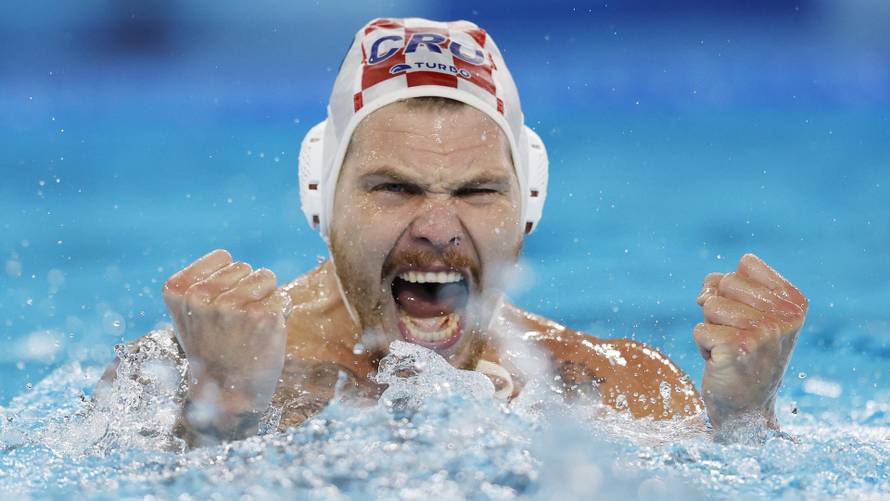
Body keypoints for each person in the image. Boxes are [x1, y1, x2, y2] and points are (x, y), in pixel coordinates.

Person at [99, 18, 808, 447]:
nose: (438, 228)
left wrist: (746, 421)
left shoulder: (620, 387)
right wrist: (221, 414)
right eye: (394, 187)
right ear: (321, 197)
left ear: (527, 202)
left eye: (475, 191)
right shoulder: (172, 377)